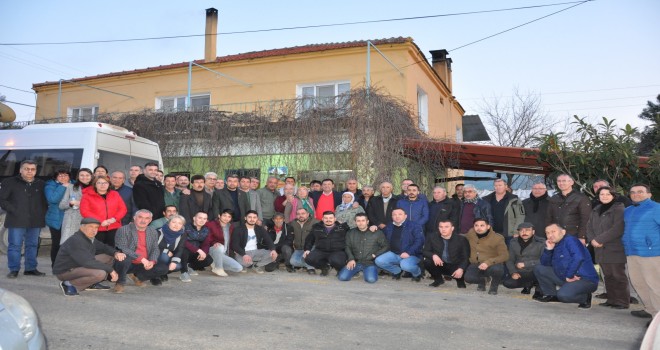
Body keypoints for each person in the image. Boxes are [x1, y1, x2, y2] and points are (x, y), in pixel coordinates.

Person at [53, 217, 125, 296]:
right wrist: (111, 270)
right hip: (65, 271)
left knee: (108, 256)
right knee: (100, 274)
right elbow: (87, 262)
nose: (94, 230)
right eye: (90, 226)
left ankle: (91, 283)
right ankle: (68, 284)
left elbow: (104, 247)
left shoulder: (90, 239)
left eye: (96, 227)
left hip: (78, 265)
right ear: (82, 227)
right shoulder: (76, 240)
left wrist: (115, 253)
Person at [0, 160, 48, 278]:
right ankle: (14, 269)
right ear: (20, 170)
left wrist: (42, 212)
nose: (29, 171)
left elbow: (45, 201)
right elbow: (2, 200)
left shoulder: (41, 184)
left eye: (32, 169)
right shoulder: (9, 182)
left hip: (35, 220)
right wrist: (14, 210)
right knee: (15, 245)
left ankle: (30, 268)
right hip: (16, 219)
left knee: (32, 245)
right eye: (27, 169)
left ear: (36, 171)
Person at [534, 223, 599, 308]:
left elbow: (578, 257)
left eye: (553, 231)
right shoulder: (555, 244)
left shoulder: (570, 240)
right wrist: (549, 250)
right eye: (547, 233)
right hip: (567, 277)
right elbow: (545, 264)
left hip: (584, 279)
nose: (550, 235)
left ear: (563, 232)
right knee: (539, 269)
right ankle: (552, 294)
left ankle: (585, 297)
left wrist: (569, 275)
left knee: (564, 296)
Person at [587, 187, 629, 309]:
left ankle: (622, 302)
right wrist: (592, 240)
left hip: (614, 247)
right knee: (608, 276)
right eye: (602, 194)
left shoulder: (619, 209)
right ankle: (611, 300)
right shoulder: (596, 209)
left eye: (607, 194)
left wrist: (599, 239)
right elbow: (589, 226)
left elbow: (618, 229)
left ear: (613, 196)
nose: (604, 196)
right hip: (599, 248)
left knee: (618, 276)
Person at [622, 184, 660, 320]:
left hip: (652, 254)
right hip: (632, 253)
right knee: (639, 283)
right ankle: (650, 309)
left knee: (655, 286)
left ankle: (658, 318)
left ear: (649, 194)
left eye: (640, 192)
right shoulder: (628, 210)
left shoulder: (656, 208)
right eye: (632, 192)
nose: (636, 194)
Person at [113, 210, 169, 293]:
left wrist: (152, 261)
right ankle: (120, 282)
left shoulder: (152, 231)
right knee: (124, 258)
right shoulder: (124, 229)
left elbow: (155, 248)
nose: (143, 220)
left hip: (142, 264)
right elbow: (122, 247)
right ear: (134, 218)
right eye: (140, 217)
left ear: (150, 220)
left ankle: (138, 277)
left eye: (147, 218)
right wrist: (141, 258)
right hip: (128, 262)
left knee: (163, 268)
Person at [374, 208, 425, 282]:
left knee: (405, 265)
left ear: (405, 216)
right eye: (394, 214)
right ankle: (397, 271)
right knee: (379, 261)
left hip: (412, 255)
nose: (397, 216)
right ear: (392, 217)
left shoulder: (414, 226)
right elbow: (381, 236)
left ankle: (417, 273)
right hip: (394, 253)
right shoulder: (389, 226)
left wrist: (408, 252)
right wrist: (374, 228)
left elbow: (420, 241)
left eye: (400, 214)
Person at [338, 213, 389, 283]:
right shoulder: (350, 233)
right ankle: (356, 271)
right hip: (355, 261)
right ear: (355, 222)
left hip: (370, 262)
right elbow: (347, 246)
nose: (360, 223)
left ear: (367, 221)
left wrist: (375, 254)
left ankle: (372, 270)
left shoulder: (377, 233)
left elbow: (386, 246)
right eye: (358, 221)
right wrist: (351, 259)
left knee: (371, 280)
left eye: (363, 220)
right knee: (342, 277)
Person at [80, 175, 127, 248]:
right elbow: (84, 211)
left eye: (105, 183)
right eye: (99, 183)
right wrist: (101, 221)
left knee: (112, 251)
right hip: (96, 228)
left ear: (109, 184)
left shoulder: (115, 194)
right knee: (96, 250)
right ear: (95, 184)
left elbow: (123, 209)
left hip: (113, 227)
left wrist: (114, 219)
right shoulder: (87, 196)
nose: (102, 185)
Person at [464, 218, 509, 295]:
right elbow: (463, 236)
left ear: (488, 226)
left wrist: (488, 262)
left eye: (482, 225)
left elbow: (505, 255)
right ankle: (483, 280)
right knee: (468, 278)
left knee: (497, 270)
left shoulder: (497, 238)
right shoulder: (471, 233)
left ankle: (494, 286)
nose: (479, 228)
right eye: (476, 225)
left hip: (492, 264)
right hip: (476, 264)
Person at [546, 174, 591, 245]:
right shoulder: (554, 198)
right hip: (557, 237)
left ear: (572, 182)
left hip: (574, 236)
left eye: (564, 181)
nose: (561, 183)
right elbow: (549, 218)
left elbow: (586, 219)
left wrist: (582, 236)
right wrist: (549, 235)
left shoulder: (581, 198)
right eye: (559, 181)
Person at [503, 222, 545, 298]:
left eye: (527, 230)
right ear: (518, 232)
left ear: (533, 232)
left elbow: (544, 260)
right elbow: (510, 259)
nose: (524, 232)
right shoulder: (513, 242)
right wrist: (513, 272)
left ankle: (539, 286)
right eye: (521, 230)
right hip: (521, 271)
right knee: (508, 283)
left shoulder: (541, 242)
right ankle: (528, 283)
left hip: (535, 270)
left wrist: (526, 264)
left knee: (542, 270)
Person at [423, 220, 469, 288]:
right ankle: (438, 280)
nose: (443, 229)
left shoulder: (462, 239)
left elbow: (466, 257)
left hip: (455, 266)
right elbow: (425, 251)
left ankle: (460, 280)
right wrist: (433, 255)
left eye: (446, 227)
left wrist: (461, 269)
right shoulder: (432, 237)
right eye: (441, 227)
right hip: (441, 264)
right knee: (427, 261)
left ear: (452, 228)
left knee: (463, 268)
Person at [303, 211, 349, 276]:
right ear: (322, 219)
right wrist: (307, 249)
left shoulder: (343, 228)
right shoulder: (316, 227)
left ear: (335, 219)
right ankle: (325, 267)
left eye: (330, 218)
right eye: (326, 218)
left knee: (337, 261)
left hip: (337, 251)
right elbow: (309, 239)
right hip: (321, 250)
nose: (328, 220)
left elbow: (352, 235)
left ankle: (339, 269)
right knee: (308, 259)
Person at [483, 179, 525, 245]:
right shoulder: (487, 199)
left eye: (500, 185)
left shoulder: (514, 199)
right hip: (491, 233)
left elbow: (520, 217)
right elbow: (482, 216)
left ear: (506, 186)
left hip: (509, 234)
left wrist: (516, 231)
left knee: (508, 254)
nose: (498, 187)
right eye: (496, 185)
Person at [203, 209, 244, 276]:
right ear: (219, 216)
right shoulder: (211, 224)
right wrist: (213, 243)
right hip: (212, 250)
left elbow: (231, 242)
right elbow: (207, 238)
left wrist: (235, 250)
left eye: (229, 217)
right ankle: (218, 268)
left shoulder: (231, 227)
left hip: (223, 254)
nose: (226, 218)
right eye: (224, 216)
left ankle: (214, 262)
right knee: (220, 246)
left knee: (238, 268)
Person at [59, 168, 93, 243]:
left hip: (88, 221)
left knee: (85, 245)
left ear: (91, 176)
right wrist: (70, 203)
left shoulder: (95, 189)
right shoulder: (71, 187)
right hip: (71, 220)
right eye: (82, 175)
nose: (84, 177)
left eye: (87, 175)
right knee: (69, 245)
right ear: (78, 176)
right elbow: (61, 206)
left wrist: (82, 203)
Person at [45, 169, 71, 266]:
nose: (63, 177)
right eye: (60, 175)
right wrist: (63, 186)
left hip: (70, 219)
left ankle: (66, 264)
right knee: (57, 243)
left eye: (65, 175)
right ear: (55, 177)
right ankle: (55, 265)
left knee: (69, 243)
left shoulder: (74, 185)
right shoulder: (50, 186)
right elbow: (53, 199)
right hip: (56, 220)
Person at [180, 211, 214, 282]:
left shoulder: (206, 230)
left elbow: (206, 243)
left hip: (195, 252)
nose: (202, 220)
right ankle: (184, 272)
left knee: (209, 260)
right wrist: (198, 250)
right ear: (194, 218)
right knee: (185, 250)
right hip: (183, 252)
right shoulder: (185, 227)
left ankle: (189, 266)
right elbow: (183, 242)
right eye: (200, 218)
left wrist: (204, 252)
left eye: (205, 219)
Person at [155, 215, 187, 284]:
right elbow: (151, 247)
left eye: (179, 223)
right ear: (168, 222)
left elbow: (180, 249)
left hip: (169, 256)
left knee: (177, 266)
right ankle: (154, 275)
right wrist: (165, 251)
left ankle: (163, 273)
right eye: (174, 222)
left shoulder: (182, 234)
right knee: (164, 257)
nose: (176, 225)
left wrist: (174, 262)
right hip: (154, 256)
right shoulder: (158, 231)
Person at [290, 208, 319, 273]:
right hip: (299, 249)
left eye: (303, 213)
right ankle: (313, 264)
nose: (301, 215)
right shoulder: (293, 223)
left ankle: (310, 267)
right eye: (298, 214)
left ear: (308, 214)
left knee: (310, 255)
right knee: (293, 262)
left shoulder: (316, 223)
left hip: (311, 248)